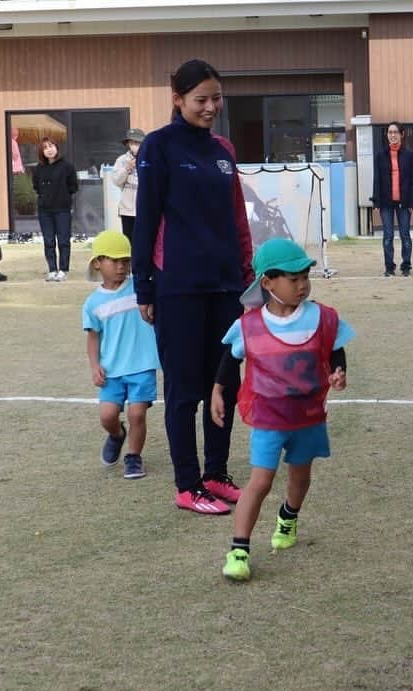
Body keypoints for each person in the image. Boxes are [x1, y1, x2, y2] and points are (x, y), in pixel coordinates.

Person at [132, 58, 255, 515]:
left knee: (224, 382)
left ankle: (216, 474)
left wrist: (248, 272)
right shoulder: (159, 147)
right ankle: (188, 485)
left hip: (226, 285)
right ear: (178, 100)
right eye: (201, 99)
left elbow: (237, 216)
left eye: (216, 98)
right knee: (184, 388)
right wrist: (144, 285)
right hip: (177, 286)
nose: (210, 107)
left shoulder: (224, 150)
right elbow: (145, 220)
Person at [217, 239, 354, 581]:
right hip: (267, 416)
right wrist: (219, 390)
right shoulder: (249, 325)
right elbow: (230, 360)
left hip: (307, 416)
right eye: (293, 278)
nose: (302, 284)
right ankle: (239, 549)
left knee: (300, 477)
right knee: (260, 481)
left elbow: (334, 347)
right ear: (267, 283)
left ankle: (288, 516)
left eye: (305, 276)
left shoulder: (321, 316)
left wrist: (339, 371)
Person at [82, 231, 160, 480]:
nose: (120, 267)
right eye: (114, 261)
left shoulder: (140, 289)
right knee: (107, 417)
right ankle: (117, 435)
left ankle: (133, 457)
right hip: (112, 370)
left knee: (137, 413)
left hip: (142, 365)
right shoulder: (93, 303)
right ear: (97, 263)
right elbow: (93, 337)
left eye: (125, 261)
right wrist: (95, 366)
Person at [371, 121, 413, 277]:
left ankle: (406, 266)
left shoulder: (409, 154)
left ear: (402, 134)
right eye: (390, 132)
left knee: (405, 235)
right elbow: (377, 178)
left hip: (404, 202)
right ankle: (389, 267)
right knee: (388, 236)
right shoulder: (380, 155)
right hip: (386, 201)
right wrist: (376, 201)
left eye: (395, 132)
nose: (392, 135)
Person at [32, 136, 78, 282]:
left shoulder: (67, 166)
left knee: (63, 240)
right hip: (45, 210)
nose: (49, 150)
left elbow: (73, 186)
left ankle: (63, 270)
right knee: (48, 240)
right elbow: (36, 187)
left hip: (62, 209)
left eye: (51, 146)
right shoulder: (38, 169)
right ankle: (52, 269)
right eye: (45, 147)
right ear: (42, 152)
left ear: (57, 148)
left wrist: (63, 196)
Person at [111, 128, 145, 241]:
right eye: (131, 143)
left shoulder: (150, 158)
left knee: (145, 240)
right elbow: (116, 180)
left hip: (146, 207)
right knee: (129, 241)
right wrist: (127, 168)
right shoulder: (122, 160)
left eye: (137, 142)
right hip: (127, 208)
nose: (134, 145)